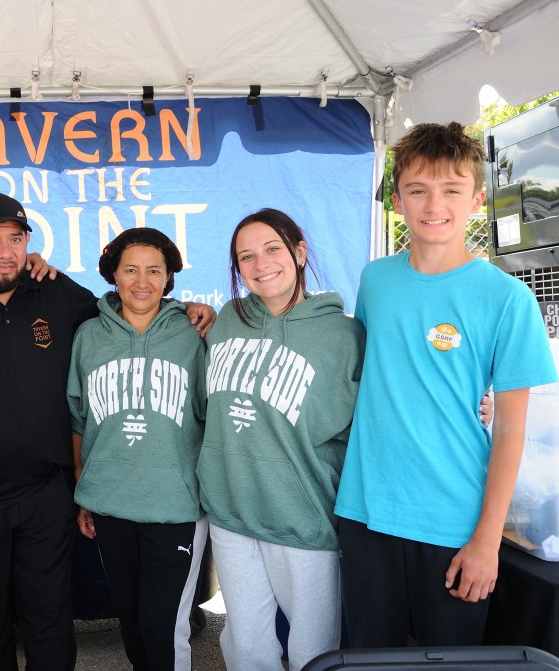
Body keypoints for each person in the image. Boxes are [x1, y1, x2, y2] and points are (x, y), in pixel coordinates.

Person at [0, 192, 216, 671]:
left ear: (29, 243)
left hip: (44, 494)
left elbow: (128, 308)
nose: (5, 251)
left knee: (50, 622)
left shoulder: (57, 294)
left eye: (16, 239)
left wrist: (194, 309)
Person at [334, 122, 557, 647]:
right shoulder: (375, 280)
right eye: (417, 190)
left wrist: (487, 541)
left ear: (477, 199)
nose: (434, 204)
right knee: (370, 658)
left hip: (454, 521)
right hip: (367, 511)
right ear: (397, 201)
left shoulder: (508, 299)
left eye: (452, 189)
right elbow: (375, 369)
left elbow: (510, 432)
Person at [196, 209, 364, 671]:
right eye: (246, 256)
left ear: (299, 253)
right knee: (246, 646)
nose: (261, 264)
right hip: (231, 511)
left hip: (304, 517)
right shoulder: (226, 321)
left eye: (272, 249)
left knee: (315, 652)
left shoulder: (343, 335)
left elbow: (379, 413)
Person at [67, 227, 209, 671]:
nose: (142, 281)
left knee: (163, 630)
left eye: (154, 270)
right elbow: (79, 418)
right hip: (111, 504)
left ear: (169, 277)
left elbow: (211, 415)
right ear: (114, 275)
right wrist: (84, 491)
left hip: (176, 507)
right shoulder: (89, 335)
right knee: (131, 625)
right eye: (130, 269)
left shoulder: (194, 334)